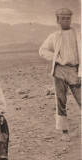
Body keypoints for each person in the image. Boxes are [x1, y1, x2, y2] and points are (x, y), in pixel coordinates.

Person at [39, 8, 81, 142]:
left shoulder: (78, 34)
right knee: (61, 101)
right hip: (60, 71)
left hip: (75, 70)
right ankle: (64, 131)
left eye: (68, 18)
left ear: (71, 19)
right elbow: (43, 50)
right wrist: (56, 58)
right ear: (57, 20)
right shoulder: (54, 36)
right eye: (62, 18)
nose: (65, 20)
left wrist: (81, 73)